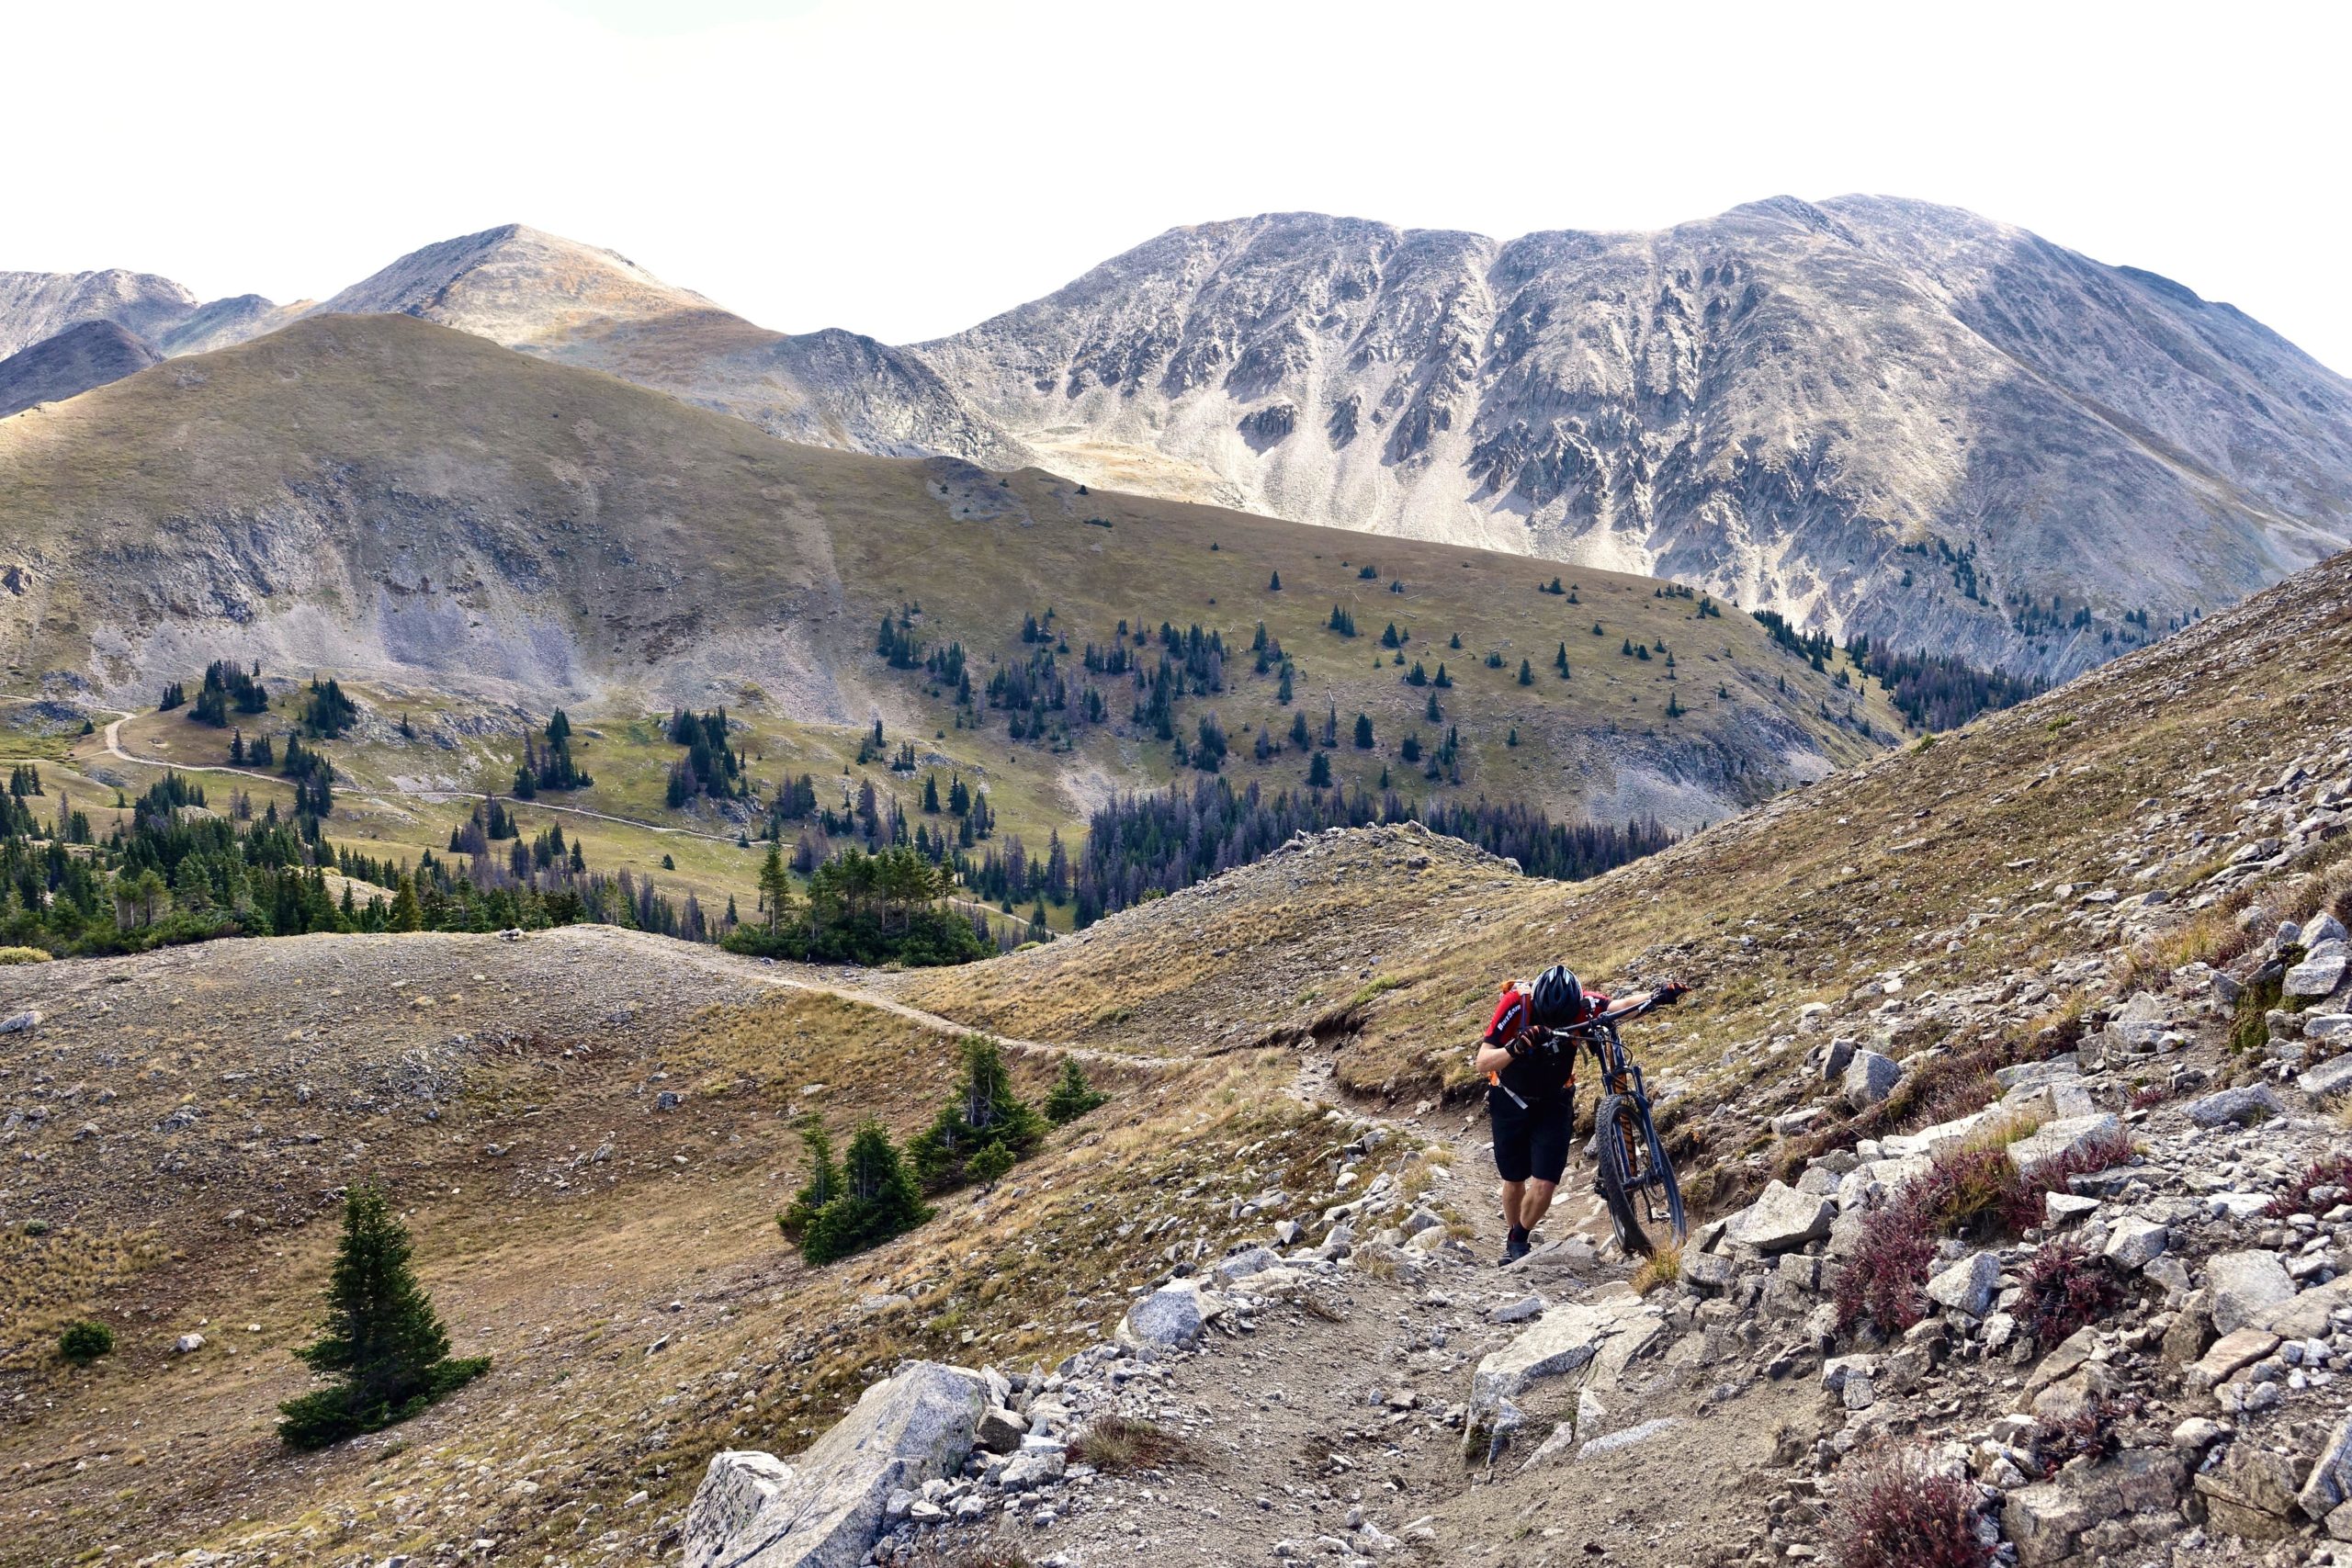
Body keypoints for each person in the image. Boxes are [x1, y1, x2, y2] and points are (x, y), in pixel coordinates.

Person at [1474, 964, 1685, 1263]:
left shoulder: (1584, 1004)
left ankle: (1518, 1237)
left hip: (1554, 1101)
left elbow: (1617, 1007)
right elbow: (1483, 1061)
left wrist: (1657, 996)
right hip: (1510, 1099)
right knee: (1514, 1179)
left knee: (1546, 1182)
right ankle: (1513, 1234)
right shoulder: (1517, 1004)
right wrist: (1517, 1046)